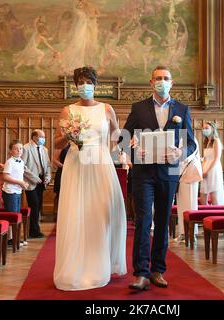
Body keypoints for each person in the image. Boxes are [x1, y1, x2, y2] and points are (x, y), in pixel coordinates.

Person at [122, 65, 196, 290]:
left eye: (166, 78)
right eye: (158, 78)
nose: (162, 82)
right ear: (151, 83)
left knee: (163, 221)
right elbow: (123, 137)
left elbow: (191, 142)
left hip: (169, 171)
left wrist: (179, 153)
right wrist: (134, 151)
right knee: (144, 221)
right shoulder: (138, 108)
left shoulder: (182, 110)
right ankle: (141, 273)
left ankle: (157, 270)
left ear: (172, 83)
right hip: (143, 173)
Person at [53, 66, 126, 291]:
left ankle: (102, 263)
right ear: (76, 86)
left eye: (88, 82)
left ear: (95, 85)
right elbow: (56, 145)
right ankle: (77, 266)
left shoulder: (106, 108)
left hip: (101, 163)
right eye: (80, 83)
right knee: (78, 214)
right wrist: (68, 135)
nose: (84, 86)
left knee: (104, 213)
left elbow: (117, 136)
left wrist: (126, 151)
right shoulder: (68, 111)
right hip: (77, 166)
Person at [22, 129, 52, 238]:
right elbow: (23, 166)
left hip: (42, 180)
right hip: (31, 181)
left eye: (44, 137)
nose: (43, 139)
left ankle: (35, 229)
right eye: (41, 137)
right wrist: (34, 178)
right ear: (34, 137)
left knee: (38, 205)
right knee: (34, 205)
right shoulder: (26, 148)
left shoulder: (44, 149)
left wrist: (48, 177)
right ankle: (33, 230)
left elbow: (48, 165)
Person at [175, 138, 202, 243]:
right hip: (180, 175)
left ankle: (192, 234)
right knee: (181, 205)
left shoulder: (190, 138)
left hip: (190, 174)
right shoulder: (177, 137)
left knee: (190, 205)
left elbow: (187, 157)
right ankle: (182, 232)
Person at [200, 122, 224, 205]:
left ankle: (216, 216)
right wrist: (202, 170)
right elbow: (205, 159)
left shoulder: (216, 141)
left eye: (206, 128)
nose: (204, 130)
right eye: (203, 128)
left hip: (213, 169)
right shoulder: (206, 142)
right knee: (202, 199)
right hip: (205, 170)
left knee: (214, 198)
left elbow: (217, 158)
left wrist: (207, 171)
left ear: (212, 129)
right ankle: (206, 216)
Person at [2, 140, 29, 213]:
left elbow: (17, 175)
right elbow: (4, 177)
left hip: (18, 191)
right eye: (15, 148)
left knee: (17, 214)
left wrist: (23, 183)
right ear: (10, 151)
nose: (19, 150)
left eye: (20, 148)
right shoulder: (10, 162)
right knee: (13, 215)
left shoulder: (21, 162)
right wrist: (20, 183)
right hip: (10, 192)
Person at [52, 143, 70, 221]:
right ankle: (56, 213)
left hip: (73, 172)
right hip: (62, 171)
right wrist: (64, 166)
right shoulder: (63, 145)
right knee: (59, 193)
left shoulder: (78, 144)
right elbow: (53, 159)